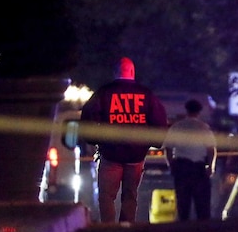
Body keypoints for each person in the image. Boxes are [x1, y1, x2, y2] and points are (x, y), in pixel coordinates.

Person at [81, 57, 169, 223]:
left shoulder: (104, 92)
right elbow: (159, 121)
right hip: (136, 155)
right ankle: (126, 227)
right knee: (130, 196)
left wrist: (95, 139)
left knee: (106, 196)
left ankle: (109, 229)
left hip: (110, 153)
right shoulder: (146, 94)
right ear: (132, 72)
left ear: (115, 73)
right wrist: (151, 142)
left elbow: (88, 116)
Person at [163, 99, 217, 221]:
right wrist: (210, 166)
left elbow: (169, 148)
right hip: (199, 168)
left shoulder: (177, 127)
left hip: (182, 167)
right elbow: (211, 149)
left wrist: (171, 165)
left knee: (183, 203)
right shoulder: (203, 128)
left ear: (186, 110)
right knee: (202, 204)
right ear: (199, 112)